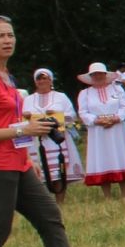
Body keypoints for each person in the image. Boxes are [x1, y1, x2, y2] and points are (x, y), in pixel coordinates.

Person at [0, 17, 106, 247]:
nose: (8, 40)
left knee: (50, 217)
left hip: (19, 163)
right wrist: (23, 128)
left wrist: (30, 148)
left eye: (10, 35)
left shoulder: (8, 77)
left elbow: (13, 122)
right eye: (0, 36)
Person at [75, 64, 125, 197]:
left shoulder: (117, 89)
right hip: (98, 131)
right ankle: (107, 196)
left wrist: (116, 118)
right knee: (101, 158)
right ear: (91, 76)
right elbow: (83, 112)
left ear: (105, 74)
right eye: (94, 74)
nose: (98, 76)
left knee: (120, 155)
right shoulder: (85, 93)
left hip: (117, 128)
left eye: (100, 73)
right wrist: (97, 120)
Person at [23, 68, 83, 202]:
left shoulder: (60, 97)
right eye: (39, 78)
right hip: (37, 140)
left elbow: (72, 116)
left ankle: (60, 201)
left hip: (56, 138)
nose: (42, 81)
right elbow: (22, 118)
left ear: (50, 80)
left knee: (58, 170)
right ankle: (45, 202)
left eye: (45, 78)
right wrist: (26, 116)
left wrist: (56, 113)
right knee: (41, 171)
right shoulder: (28, 99)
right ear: (35, 81)